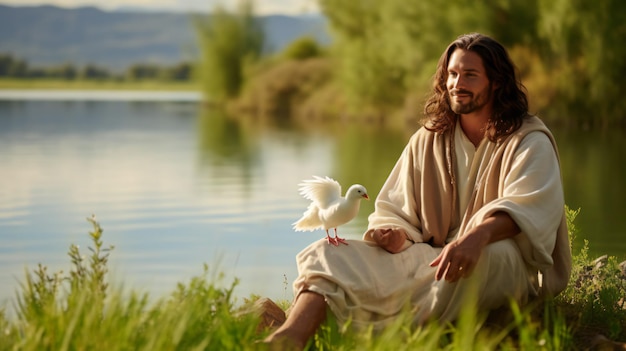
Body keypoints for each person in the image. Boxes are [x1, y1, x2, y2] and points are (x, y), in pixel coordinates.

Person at [264, 32, 572, 350]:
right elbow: (394, 210)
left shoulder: (528, 139)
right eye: (452, 74)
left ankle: (385, 334)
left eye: (470, 75)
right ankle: (288, 338)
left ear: (495, 82)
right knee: (329, 253)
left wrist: (476, 237)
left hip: (502, 259)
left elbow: (532, 207)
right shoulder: (429, 138)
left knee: (476, 261)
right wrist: (394, 233)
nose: (457, 83)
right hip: (433, 257)